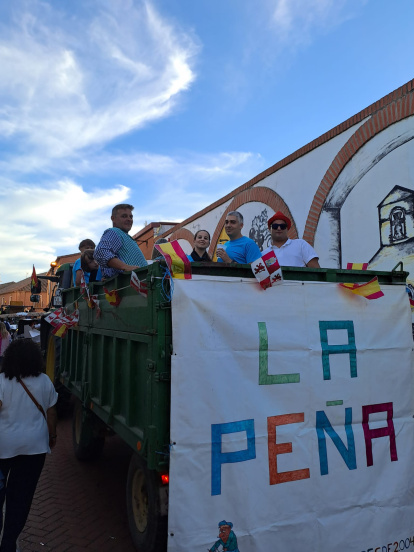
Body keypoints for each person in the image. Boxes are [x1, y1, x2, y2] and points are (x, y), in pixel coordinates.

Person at [0, 339, 58, 552]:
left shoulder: (2, 382)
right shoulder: (45, 381)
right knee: (21, 499)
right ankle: (8, 543)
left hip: (3, 447)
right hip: (34, 449)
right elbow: (51, 413)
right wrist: (52, 435)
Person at [94, 204, 148, 279]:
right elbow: (101, 252)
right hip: (129, 286)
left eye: (131, 216)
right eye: (124, 216)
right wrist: (125, 267)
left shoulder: (126, 237)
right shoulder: (114, 232)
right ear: (113, 218)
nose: (129, 219)